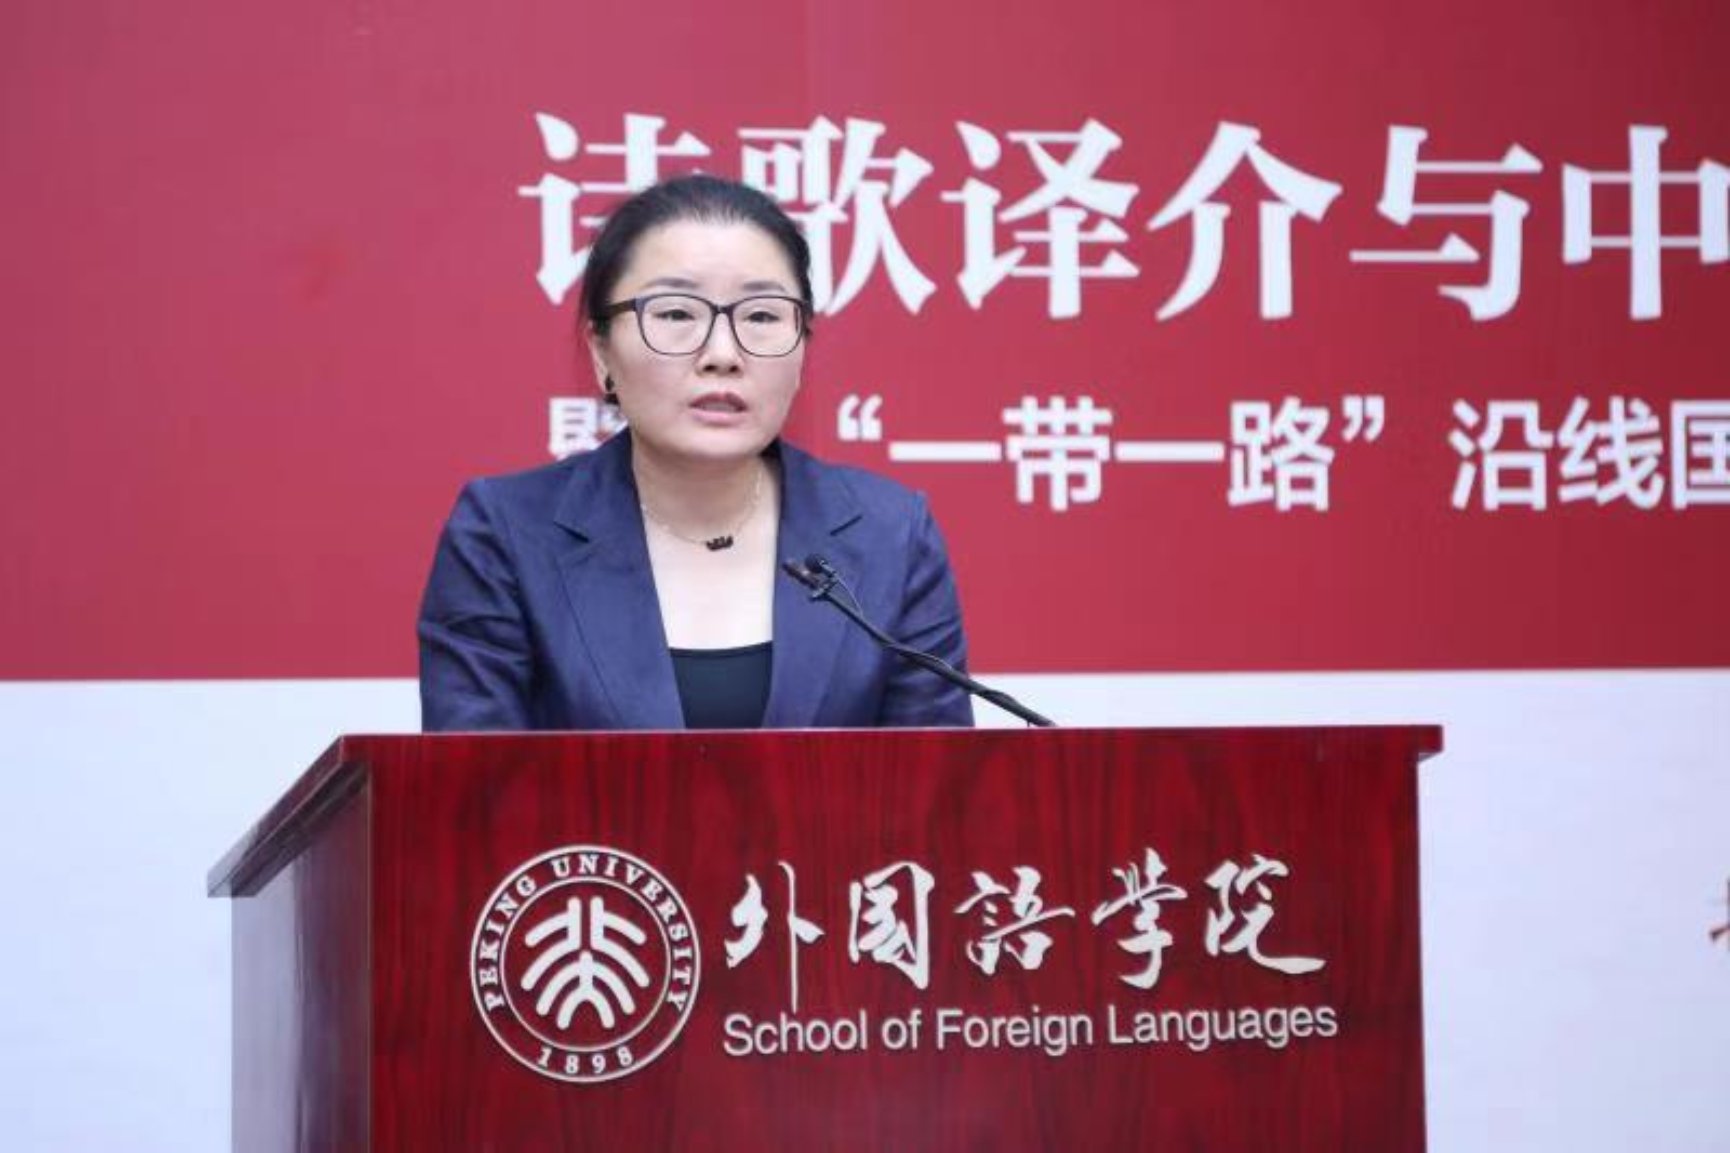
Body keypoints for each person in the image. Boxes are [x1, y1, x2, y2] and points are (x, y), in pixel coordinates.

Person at [418, 175, 974, 731]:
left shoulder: (891, 535)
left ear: (803, 347)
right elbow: (473, 777)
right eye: (677, 314)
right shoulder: (506, 535)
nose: (722, 354)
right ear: (601, 350)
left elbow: (938, 777)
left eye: (761, 316)